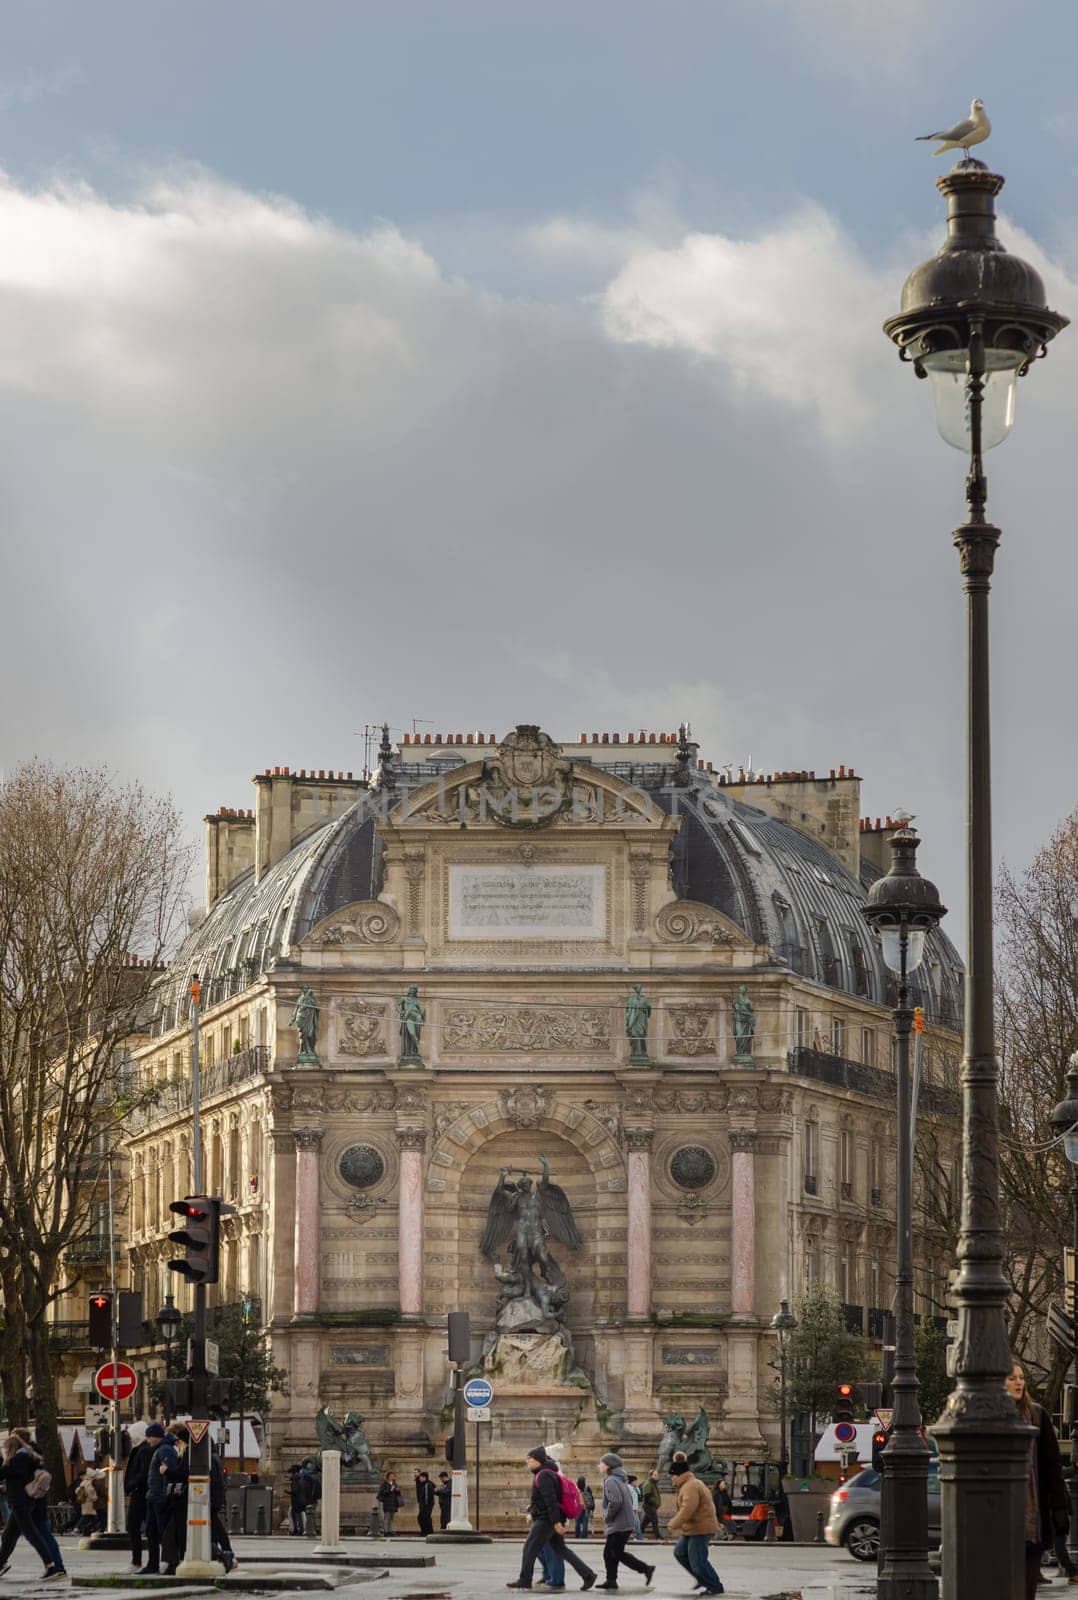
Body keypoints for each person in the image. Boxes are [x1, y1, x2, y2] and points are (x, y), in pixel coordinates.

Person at [1006, 1363, 1069, 1600]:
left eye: (1021, 1377)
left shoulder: (1037, 1415)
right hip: (1002, 1516)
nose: (1019, 1382)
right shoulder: (991, 1416)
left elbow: (1052, 1467)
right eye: (1012, 1378)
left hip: (1032, 1519)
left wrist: (1059, 1508)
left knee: (1027, 1590)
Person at [506, 1445, 597, 1591]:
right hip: (551, 1518)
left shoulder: (543, 1476)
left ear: (537, 1460)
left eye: (529, 1459)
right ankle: (588, 1575)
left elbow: (550, 1500)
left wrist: (555, 1522)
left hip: (546, 1520)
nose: (526, 1462)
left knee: (529, 1548)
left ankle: (524, 1580)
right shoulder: (550, 1473)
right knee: (561, 1550)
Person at [0, 1431, 63, 1578]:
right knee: (9, 1535)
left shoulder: (19, 1458)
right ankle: (1, 1563)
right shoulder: (27, 1457)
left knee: (32, 1535)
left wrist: (5, 1466)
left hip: (20, 1502)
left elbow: (5, 1473)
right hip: (22, 1502)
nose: (5, 1451)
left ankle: (51, 1566)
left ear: (12, 1447)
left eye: (6, 1448)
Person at [667, 1453, 724, 1596]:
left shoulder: (691, 1486)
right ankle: (702, 1577)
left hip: (701, 1528)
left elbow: (688, 1508)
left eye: (672, 1476)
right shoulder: (686, 1484)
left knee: (698, 1561)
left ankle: (715, 1586)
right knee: (680, 1552)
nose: (671, 1478)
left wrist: (674, 1523)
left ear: (678, 1475)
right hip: (692, 1528)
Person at [596, 1453, 654, 1592]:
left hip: (620, 1522)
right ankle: (611, 1580)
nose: (599, 1465)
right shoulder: (619, 1479)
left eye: (601, 1463)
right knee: (609, 1552)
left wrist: (608, 1517)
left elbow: (615, 1501)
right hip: (625, 1521)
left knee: (616, 1552)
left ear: (608, 1466)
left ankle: (646, 1569)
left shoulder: (611, 1480)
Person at [126, 1422, 164, 1570]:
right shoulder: (143, 1449)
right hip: (144, 1492)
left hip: (141, 1494)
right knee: (150, 1529)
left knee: (136, 1527)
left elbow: (142, 1473)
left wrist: (130, 1485)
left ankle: (137, 1561)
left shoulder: (143, 1451)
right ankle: (149, 1561)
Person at [377, 1470, 403, 1537]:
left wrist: (398, 1490)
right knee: (387, 1517)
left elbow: (398, 1493)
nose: (392, 1477)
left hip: (394, 1503)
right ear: (388, 1477)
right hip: (387, 1503)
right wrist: (390, 1490)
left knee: (392, 1518)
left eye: (393, 1476)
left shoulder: (394, 1483)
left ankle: (391, 1531)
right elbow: (382, 1493)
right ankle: (386, 1531)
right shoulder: (384, 1484)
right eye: (390, 1476)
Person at [639, 1471, 661, 1541]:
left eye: (657, 1475)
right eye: (655, 1475)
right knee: (655, 1520)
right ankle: (658, 1537)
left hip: (651, 1505)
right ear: (650, 1476)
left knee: (645, 1522)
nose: (656, 1476)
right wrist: (651, 1502)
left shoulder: (653, 1483)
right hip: (649, 1505)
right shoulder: (648, 1483)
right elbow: (646, 1495)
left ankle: (638, 1534)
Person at [711, 1476, 733, 1541]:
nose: (724, 1485)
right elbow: (715, 1503)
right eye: (722, 1484)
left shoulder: (725, 1493)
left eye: (724, 1484)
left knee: (723, 1524)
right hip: (718, 1511)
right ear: (719, 1485)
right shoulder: (716, 1493)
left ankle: (723, 1536)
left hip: (724, 1512)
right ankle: (721, 1536)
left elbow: (728, 1502)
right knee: (720, 1524)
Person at [415, 1469, 435, 1536]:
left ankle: (426, 1532)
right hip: (426, 1505)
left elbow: (427, 1497)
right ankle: (428, 1531)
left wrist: (424, 1506)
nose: (419, 1479)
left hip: (426, 1505)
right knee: (425, 1518)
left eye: (420, 1477)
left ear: (424, 1478)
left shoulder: (427, 1485)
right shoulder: (424, 1484)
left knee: (422, 1518)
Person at [625, 1475, 642, 1540]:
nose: (636, 1482)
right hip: (631, 1508)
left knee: (637, 1522)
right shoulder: (628, 1488)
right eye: (635, 1481)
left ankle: (638, 1536)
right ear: (632, 1481)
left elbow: (639, 1494)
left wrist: (636, 1487)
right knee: (634, 1522)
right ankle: (637, 1536)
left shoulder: (635, 1488)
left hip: (634, 1508)